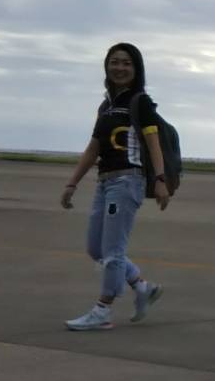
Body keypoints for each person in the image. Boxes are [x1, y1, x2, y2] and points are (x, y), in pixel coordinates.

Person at [58, 43, 168, 331]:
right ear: (107, 67)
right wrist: (72, 183)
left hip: (127, 180)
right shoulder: (106, 106)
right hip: (104, 182)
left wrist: (160, 179)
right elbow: (93, 148)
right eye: (114, 62)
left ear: (136, 69)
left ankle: (103, 310)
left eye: (126, 63)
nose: (119, 68)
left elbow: (154, 142)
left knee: (113, 251)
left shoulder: (140, 101)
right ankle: (142, 287)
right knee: (96, 248)